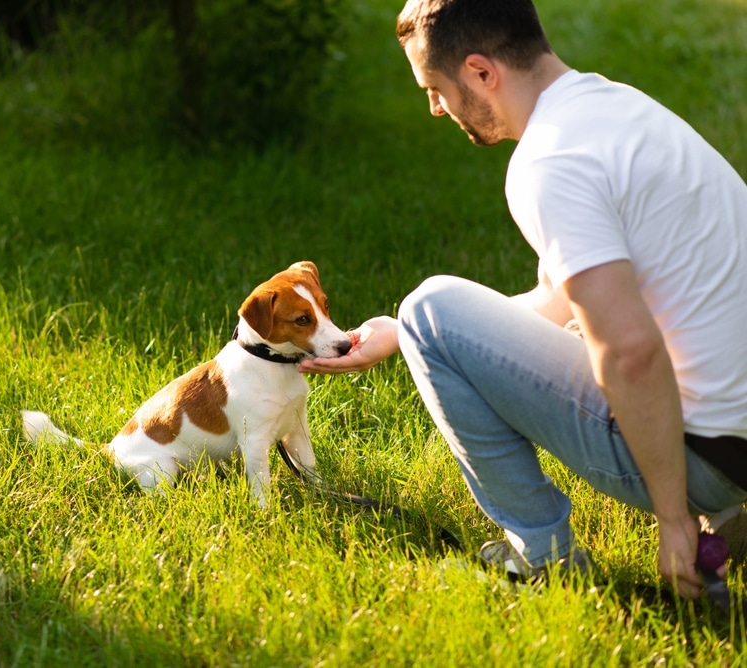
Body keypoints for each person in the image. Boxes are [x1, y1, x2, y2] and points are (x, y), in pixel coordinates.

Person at [300, 0, 747, 598]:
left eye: (435, 87)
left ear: (482, 73)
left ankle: (545, 558)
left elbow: (632, 351)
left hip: (709, 456)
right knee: (438, 325)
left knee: (429, 309)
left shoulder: (549, 164)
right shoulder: (613, 107)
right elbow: (558, 300)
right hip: (736, 436)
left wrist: (672, 520)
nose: (435, 107)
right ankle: (727, 516)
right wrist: (399, 336)